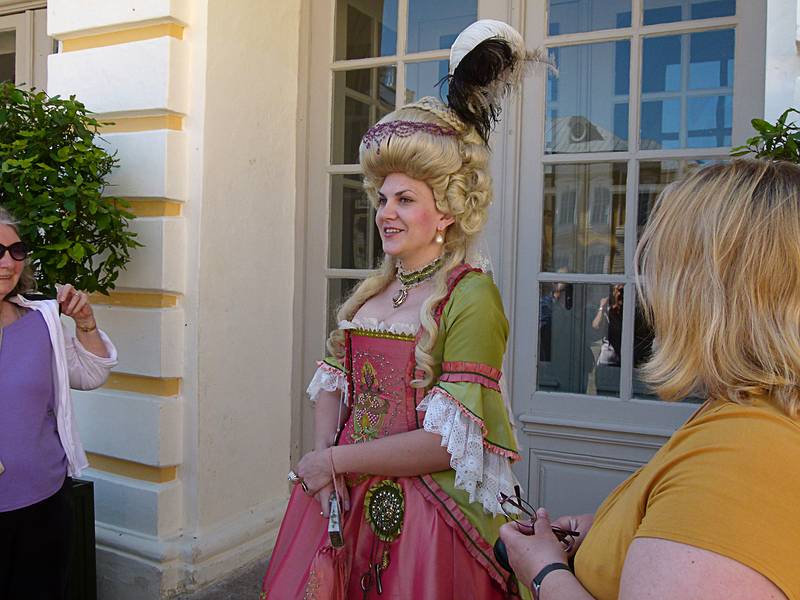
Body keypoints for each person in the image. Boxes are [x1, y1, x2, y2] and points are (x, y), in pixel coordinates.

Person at [262, 19, 547, 600]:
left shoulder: (471, 296)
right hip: (341, 494)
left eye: (406, 200)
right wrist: (324, 463)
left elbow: (450, 444)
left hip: (427, 514)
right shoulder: (372, 291)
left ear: (446, 212)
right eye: (382, 199)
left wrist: (336, 460)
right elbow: (332, 381)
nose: (386, 213)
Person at [499, 159, 800, 600]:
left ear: (709, 292)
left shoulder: (745, 454)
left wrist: (544, 572)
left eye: (665, 266)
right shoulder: (752, 411)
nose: (652, 290)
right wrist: (607, 534)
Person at [0, 207, 118, 599]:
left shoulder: (41, 320)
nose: (7, 262)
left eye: (15, 251)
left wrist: (84, 322)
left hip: (43, 503)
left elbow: (91, 373)